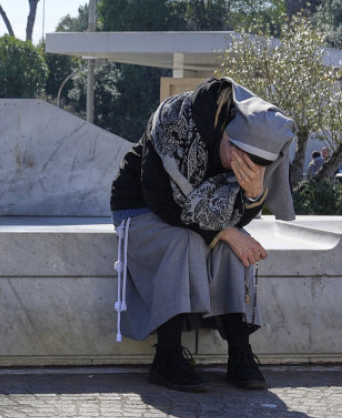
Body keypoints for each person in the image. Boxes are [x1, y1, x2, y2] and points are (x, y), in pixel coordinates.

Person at [110, 77, 296, 393]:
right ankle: (166, 358)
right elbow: (162, 202)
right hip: (140, 209)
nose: (239, 170)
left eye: (254, 167)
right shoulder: (174, 123)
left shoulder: (250, 152)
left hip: (193, 218)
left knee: (233, 247)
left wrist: (252, 196)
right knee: (185, 240)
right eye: (238, 160)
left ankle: (240, 353)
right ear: (228, 135)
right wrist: (223, 231)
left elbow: (238, 218)